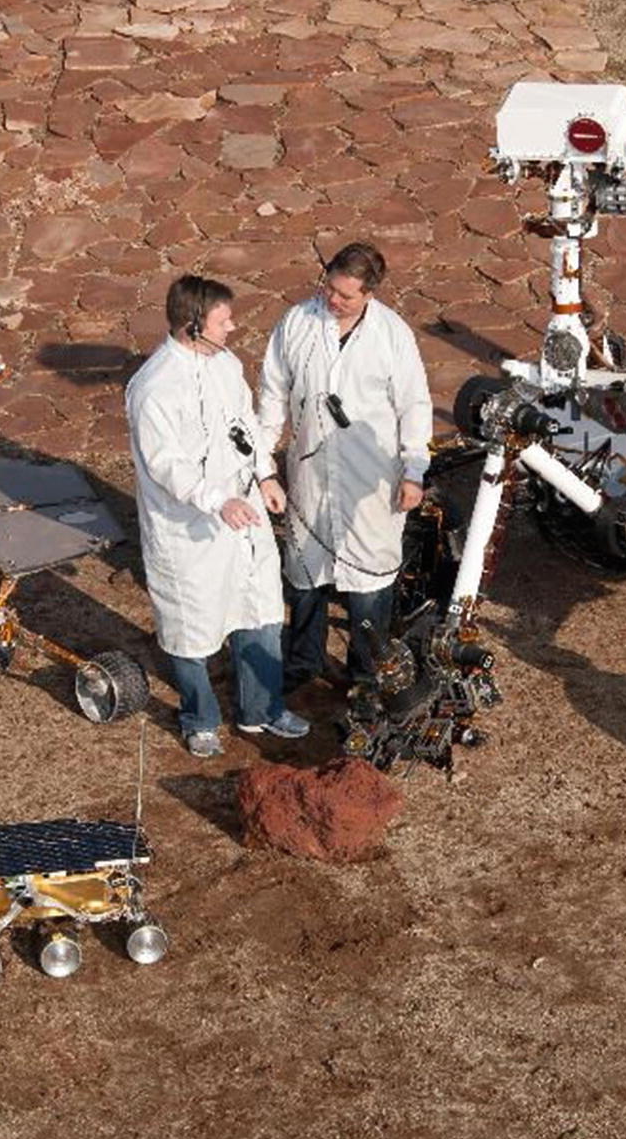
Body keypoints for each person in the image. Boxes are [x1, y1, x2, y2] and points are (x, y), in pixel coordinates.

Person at [127, 275, 310, 757]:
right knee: (192, 627)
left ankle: (262, 710)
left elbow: (243, 428)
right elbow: (167, 465)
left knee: (262, 611)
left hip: (243, 516)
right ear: (193, 325)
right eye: (223, 320)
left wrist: (265, 475)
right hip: (189, 531)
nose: (233, 326)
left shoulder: (226, 365)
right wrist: (217, 501)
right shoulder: (154, 388)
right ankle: (199, 717)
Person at [256, 242, 433, 699]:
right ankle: (303, 661)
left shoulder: (393, 336)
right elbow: (272, 396)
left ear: (369, 294)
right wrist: (263, 465)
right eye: (331, 288)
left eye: (346, 296)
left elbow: (414, 405)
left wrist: (414, 469)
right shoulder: (296, 323)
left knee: (369, 582)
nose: (334, 300)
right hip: (311, 475)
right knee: (306, 573)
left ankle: (366, 672)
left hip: (371, 481)